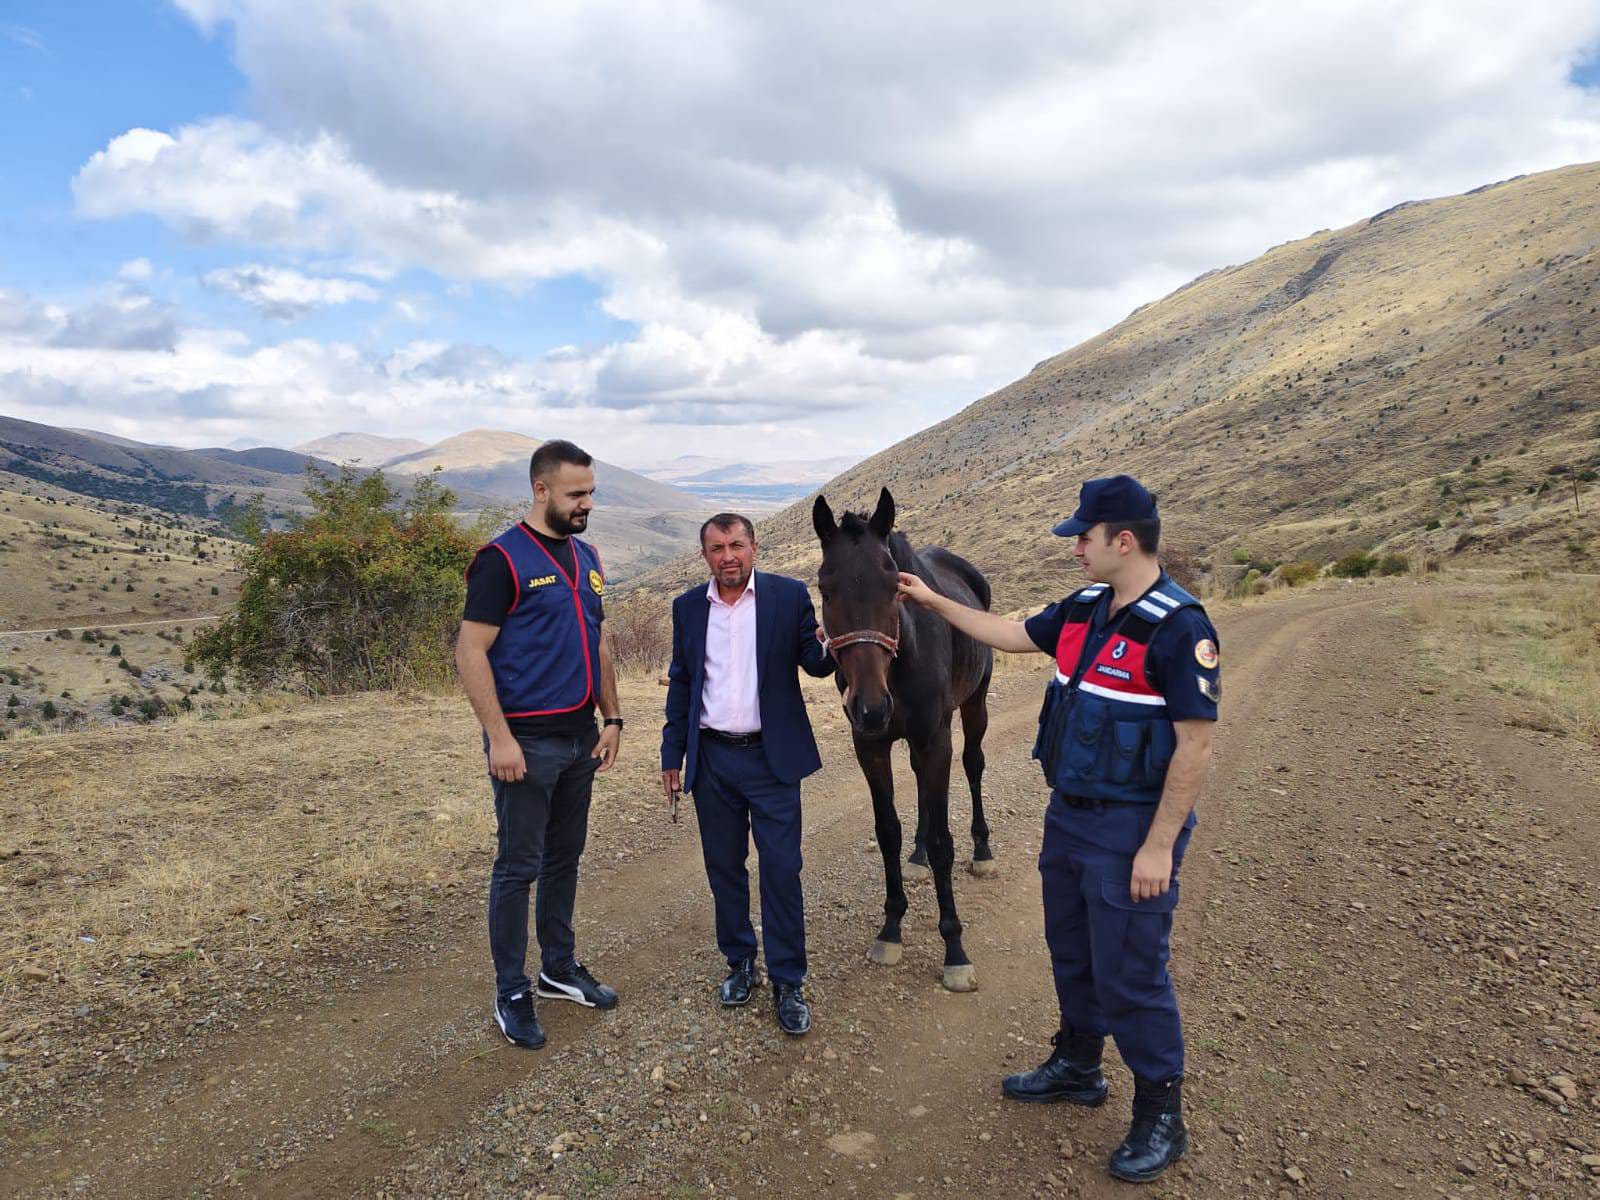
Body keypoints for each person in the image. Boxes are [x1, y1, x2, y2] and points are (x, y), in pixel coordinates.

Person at [897, 475, 1220, 1184]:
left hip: (1131, 827)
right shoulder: (1084, 609)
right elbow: (1009, 633)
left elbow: (1194, 744)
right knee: (1071, 949)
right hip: (1069, 816)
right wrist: (929, 599)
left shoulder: (1179, 627)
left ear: (1123, 540)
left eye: (1085, 536)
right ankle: (1078, 1064)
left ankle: (1161, 1111)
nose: (1076, 547)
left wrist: (1160, 844)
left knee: (1131, 970)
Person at [456, 439, 624, 1050]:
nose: (586, 504)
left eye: (591, 493)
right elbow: (470, 650)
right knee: (518, 868)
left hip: (581, 737)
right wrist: (499, 738)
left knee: (564, 859)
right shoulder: (501, 559)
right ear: (541, 490)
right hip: (524, 743)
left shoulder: (588, 555)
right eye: (576, 494)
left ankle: (557, 967)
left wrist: (613, 718)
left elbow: (598, 641)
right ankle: (512, 991)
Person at [660, 514, 836, 1035]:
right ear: (704, 555)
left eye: (737, 544)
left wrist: (835, 637)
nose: (728, 556)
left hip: (771, 759)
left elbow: (816, 663)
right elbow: (682, 683)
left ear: (755, 547)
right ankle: (739, 962)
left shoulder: (786, 596)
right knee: (724, 869)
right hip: (712, 760)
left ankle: (788, 981)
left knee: (781, 869)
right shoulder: (688, 608)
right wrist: (674, 755)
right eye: (717, 548)